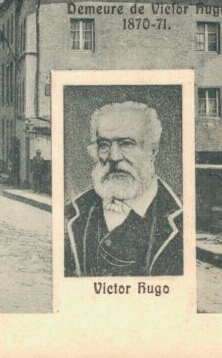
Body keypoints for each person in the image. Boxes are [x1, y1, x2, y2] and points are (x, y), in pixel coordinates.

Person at [64, 101, 182, 277]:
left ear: (152, 151)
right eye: (104, 145)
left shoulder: (180, 219)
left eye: (126, 144)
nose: (113, 156)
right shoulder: (72, 213)